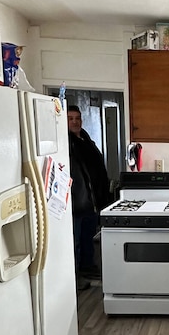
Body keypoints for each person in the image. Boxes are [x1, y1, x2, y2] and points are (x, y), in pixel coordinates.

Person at [67, 105, 111, 290]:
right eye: (70, 118)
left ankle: (88, 267)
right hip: (76, 201)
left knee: (88, 238)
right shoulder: (66, 143)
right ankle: (75, 278)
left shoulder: (85, 139)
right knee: (75, 242)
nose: (75, 122)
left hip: (92, 200)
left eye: (77, 118)